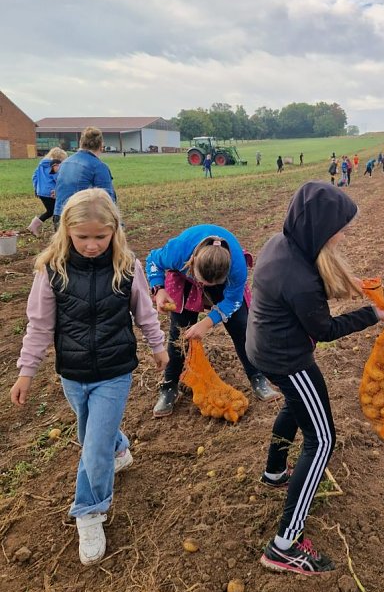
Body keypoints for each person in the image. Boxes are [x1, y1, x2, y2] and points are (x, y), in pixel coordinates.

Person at [246, 181, 384, 574]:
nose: (344, 232)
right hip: (287, 359)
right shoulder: (296, 277)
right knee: (323, 439)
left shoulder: (282, 244)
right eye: (340, 225)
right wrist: (373, 315)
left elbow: (318, 284)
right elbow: (326, 329)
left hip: (263, 349)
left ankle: (274, 471)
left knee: (295, 406)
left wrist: (360, 288)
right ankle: (285, 544)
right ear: (318, 226)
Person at [11, 189, 167, 566]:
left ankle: (90, 511)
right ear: (66, 231)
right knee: (91, 435)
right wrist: (26, 371)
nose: (93, 245)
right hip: (73, 374)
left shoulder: (128, 267)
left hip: (114, 373)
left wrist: (159, 348)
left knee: (91, 448)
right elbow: (39, 326)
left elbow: (145, 315)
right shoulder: (52, 270)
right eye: (83, 237)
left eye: (101, 236)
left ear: (114, 231)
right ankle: (119, 450)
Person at [146, 225, 280, 416]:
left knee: (242, 328)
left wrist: (207, 322)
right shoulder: (178, 251)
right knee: (179, 335)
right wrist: (159, 289)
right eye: (204, 282)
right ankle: (169, 386)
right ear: (192, 262)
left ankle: (257, 376)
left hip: (222, 282)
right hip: (185, 279)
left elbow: (233, 300)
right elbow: (153, 260)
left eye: (211, 284)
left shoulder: (236, 267)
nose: (205, 287)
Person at [53, 127, 116, 229]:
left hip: (60, 215)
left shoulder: (65, 163)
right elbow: (107, 199)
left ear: (80, 143)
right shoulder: (98, 166)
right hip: (82, 218)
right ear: (101, 146)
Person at [27, 147, 68, 235]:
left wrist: (36, 188)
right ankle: (56, 230)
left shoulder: (41, 165)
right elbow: (57, 178)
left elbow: (34, 177)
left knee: (51, 210)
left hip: (41, 192)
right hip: (51, 192)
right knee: (55, 211)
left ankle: (34, 225)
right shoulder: (55, 166)